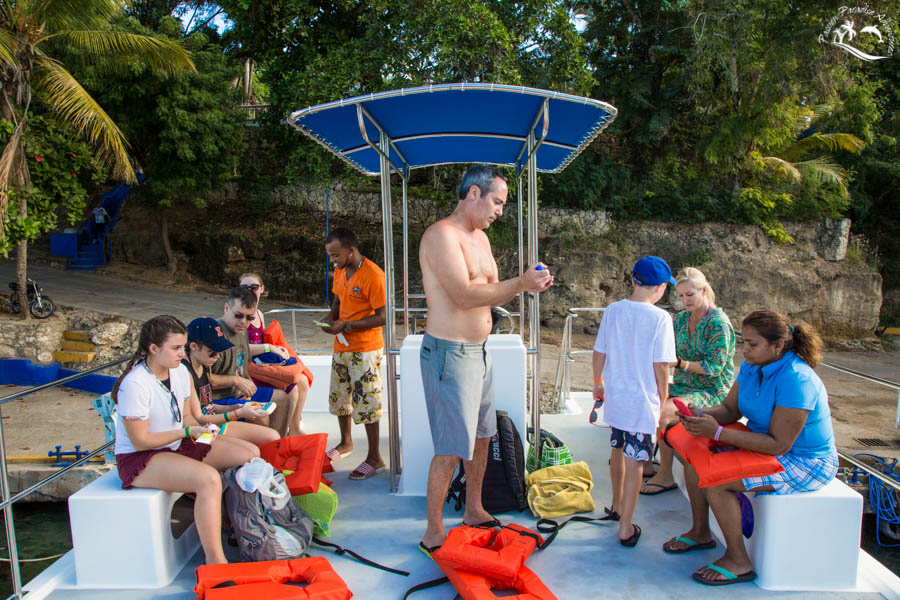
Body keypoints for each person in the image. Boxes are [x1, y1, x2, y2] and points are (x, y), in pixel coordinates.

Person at [417, 165, 553, 555]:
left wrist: (529, 285)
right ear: (473, 193)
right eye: (497, 202)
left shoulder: (481, 239)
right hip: (448, 353)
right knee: (450, 446)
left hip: (479, 351)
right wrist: (521, 283)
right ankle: (433, 531)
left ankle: (474, 509)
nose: (499, 211)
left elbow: (492, 293)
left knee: (482, 434)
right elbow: (462, 294)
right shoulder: (442, 235)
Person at [663, 310, 837, 586]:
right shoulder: (751, 366)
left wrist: (717, 432)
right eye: (743, 342)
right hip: (764, 445)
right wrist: (700, 414)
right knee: (696, 458)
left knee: (717, 481)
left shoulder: (797, 379)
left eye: (752, 344)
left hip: (804, 462)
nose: (744, 350)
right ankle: (700, 532)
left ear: (778, 346)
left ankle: (738, 561)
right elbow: (730, 409)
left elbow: (780, 444)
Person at [112, 315, 256, 565]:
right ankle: (216, 561)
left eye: (183, 347)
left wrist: (202, 430)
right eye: (176, 348)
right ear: (154, 349)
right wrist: (185, 433)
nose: (182, 353)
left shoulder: (180, 373)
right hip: (141, 457)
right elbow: (140, 442)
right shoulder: (135, 384)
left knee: (249, 454)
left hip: (176, 444)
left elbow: (190, 418)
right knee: (208, 479)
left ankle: (238, 525)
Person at [592, 255, 677, 547]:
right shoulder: (661, 318)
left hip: (616, 397)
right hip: (642, 402)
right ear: (661, 287)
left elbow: (599, 352)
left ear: (633, 281)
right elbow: (661, 365)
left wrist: (597, 383)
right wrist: (663, 397)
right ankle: (626, 527)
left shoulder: (614, 310)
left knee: (617, 452)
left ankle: (616, 506)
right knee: (637, 462)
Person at [641, 267, 735, 495]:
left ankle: (665, 475)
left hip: (711, 391)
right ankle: (644, 461)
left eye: (690, 295)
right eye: (681, 296)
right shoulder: (681, 319)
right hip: (684, 385)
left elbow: (714, 368)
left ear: (704, 290)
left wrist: (678, 363)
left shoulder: (718, 324)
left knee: (663, 412)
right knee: (644, 397)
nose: (685, 300)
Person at [319, 228, 387, 480]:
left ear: (351, 250)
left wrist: (346, 325)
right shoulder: (340, 270)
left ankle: (375, 457)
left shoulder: (374, 275)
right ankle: (346, 443)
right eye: (330, 255)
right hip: (341, 346)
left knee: (367, 403)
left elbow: (382, 317)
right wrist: (330, 318)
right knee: (340, 399)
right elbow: (338, 300)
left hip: (365, 350)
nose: (332, 260)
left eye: (335, 255)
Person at [209, 288, 299, 437]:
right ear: (226, 308)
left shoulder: (241, 333)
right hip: (219, 399)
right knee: (260, 414)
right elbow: (204, 379)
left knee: (283, 398)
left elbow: (243, 368)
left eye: (249, 318)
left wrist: (248, 386)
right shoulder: (214, 335)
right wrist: (237, 381)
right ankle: (266, 449)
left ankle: (277, 446)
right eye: (238, 315)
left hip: (237, 392)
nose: (243, 322)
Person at [183, 316, 280, 448]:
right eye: (212, 352)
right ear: (193, 346)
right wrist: (236, 414)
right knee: (255, 447)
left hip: (212, 422)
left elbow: (208, 407)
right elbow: (199, 418)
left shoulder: (203, 364)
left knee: (272, 436)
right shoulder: (185, 373)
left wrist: (235, 408)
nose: (217, 357)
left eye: (219, 352)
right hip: (204, 429)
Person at [239, 272, 312, 429]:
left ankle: (294, 428)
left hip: (261, 364)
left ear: (262, 289)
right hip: (249, 368)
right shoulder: (240, 316)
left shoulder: (258, 314)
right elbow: (240, 348)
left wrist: (277, 351)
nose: (249, 291)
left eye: (254, 287)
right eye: (244, 287)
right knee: (292, 389)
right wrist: (270, 348)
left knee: (303, 382)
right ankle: (283, 433)